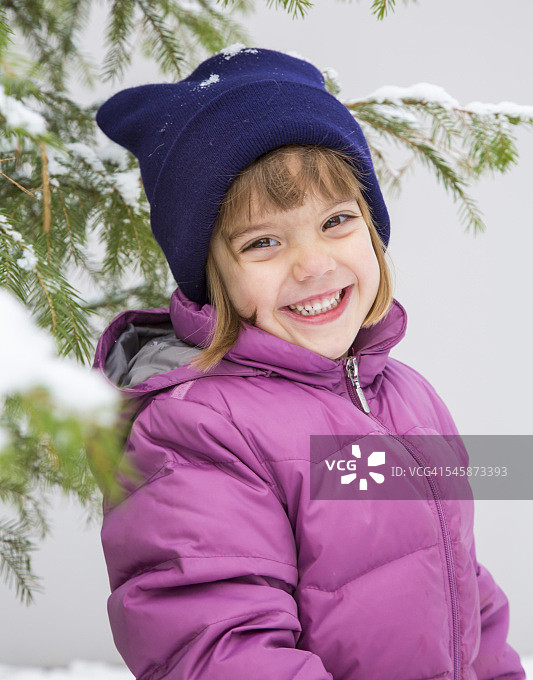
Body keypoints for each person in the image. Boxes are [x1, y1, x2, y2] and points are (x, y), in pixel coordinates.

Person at [92, 46, 525, 680]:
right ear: (213, 276)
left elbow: (462, 585)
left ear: (372, 232)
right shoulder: (198, 430)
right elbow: (219, 649)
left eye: (335, 221)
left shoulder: (406, 395)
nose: (313, 264)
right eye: (263, 241)